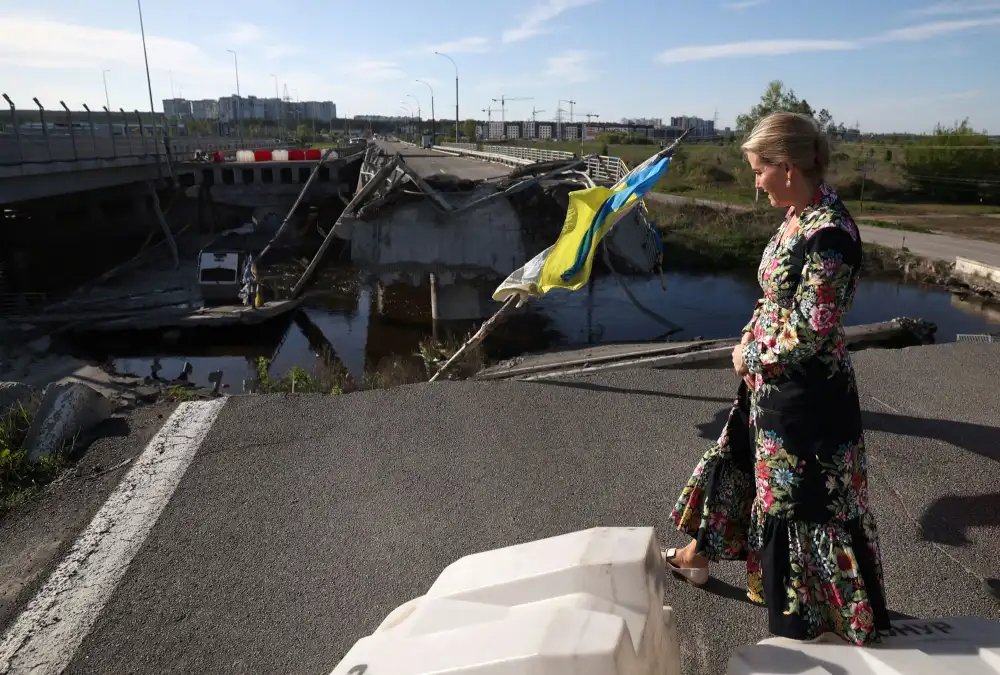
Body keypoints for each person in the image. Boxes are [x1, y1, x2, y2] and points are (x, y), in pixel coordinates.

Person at [664, 112, 891, 645]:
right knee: (744, 466)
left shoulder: (830, 234)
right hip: (770, 383)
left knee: (801, 504)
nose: (755, 182)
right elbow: (774, 298)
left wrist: (751, 355)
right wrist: (749, 339)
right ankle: (700, 557)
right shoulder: (797, 215)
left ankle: (815, 630)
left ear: (787, 167)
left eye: (759, 171)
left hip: (807, 400)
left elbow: (812, 327)